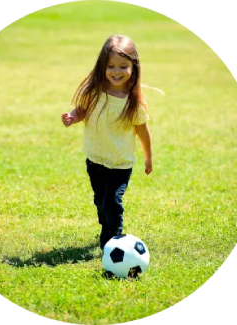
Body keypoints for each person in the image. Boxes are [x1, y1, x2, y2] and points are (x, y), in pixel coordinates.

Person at [61, 34, 153, 250]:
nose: (116, 71)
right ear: (103, 65)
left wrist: (148, 157)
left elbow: (142, 131)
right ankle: (107, 226)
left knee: (112, 203)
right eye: (111, 66)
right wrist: (73, 117)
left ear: (133, 67)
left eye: (123, 66)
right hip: (95, 159)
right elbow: (82, 110)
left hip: (120, 163)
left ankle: (112, 244)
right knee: (101, 202)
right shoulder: (94, 92)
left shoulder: (134, 103)